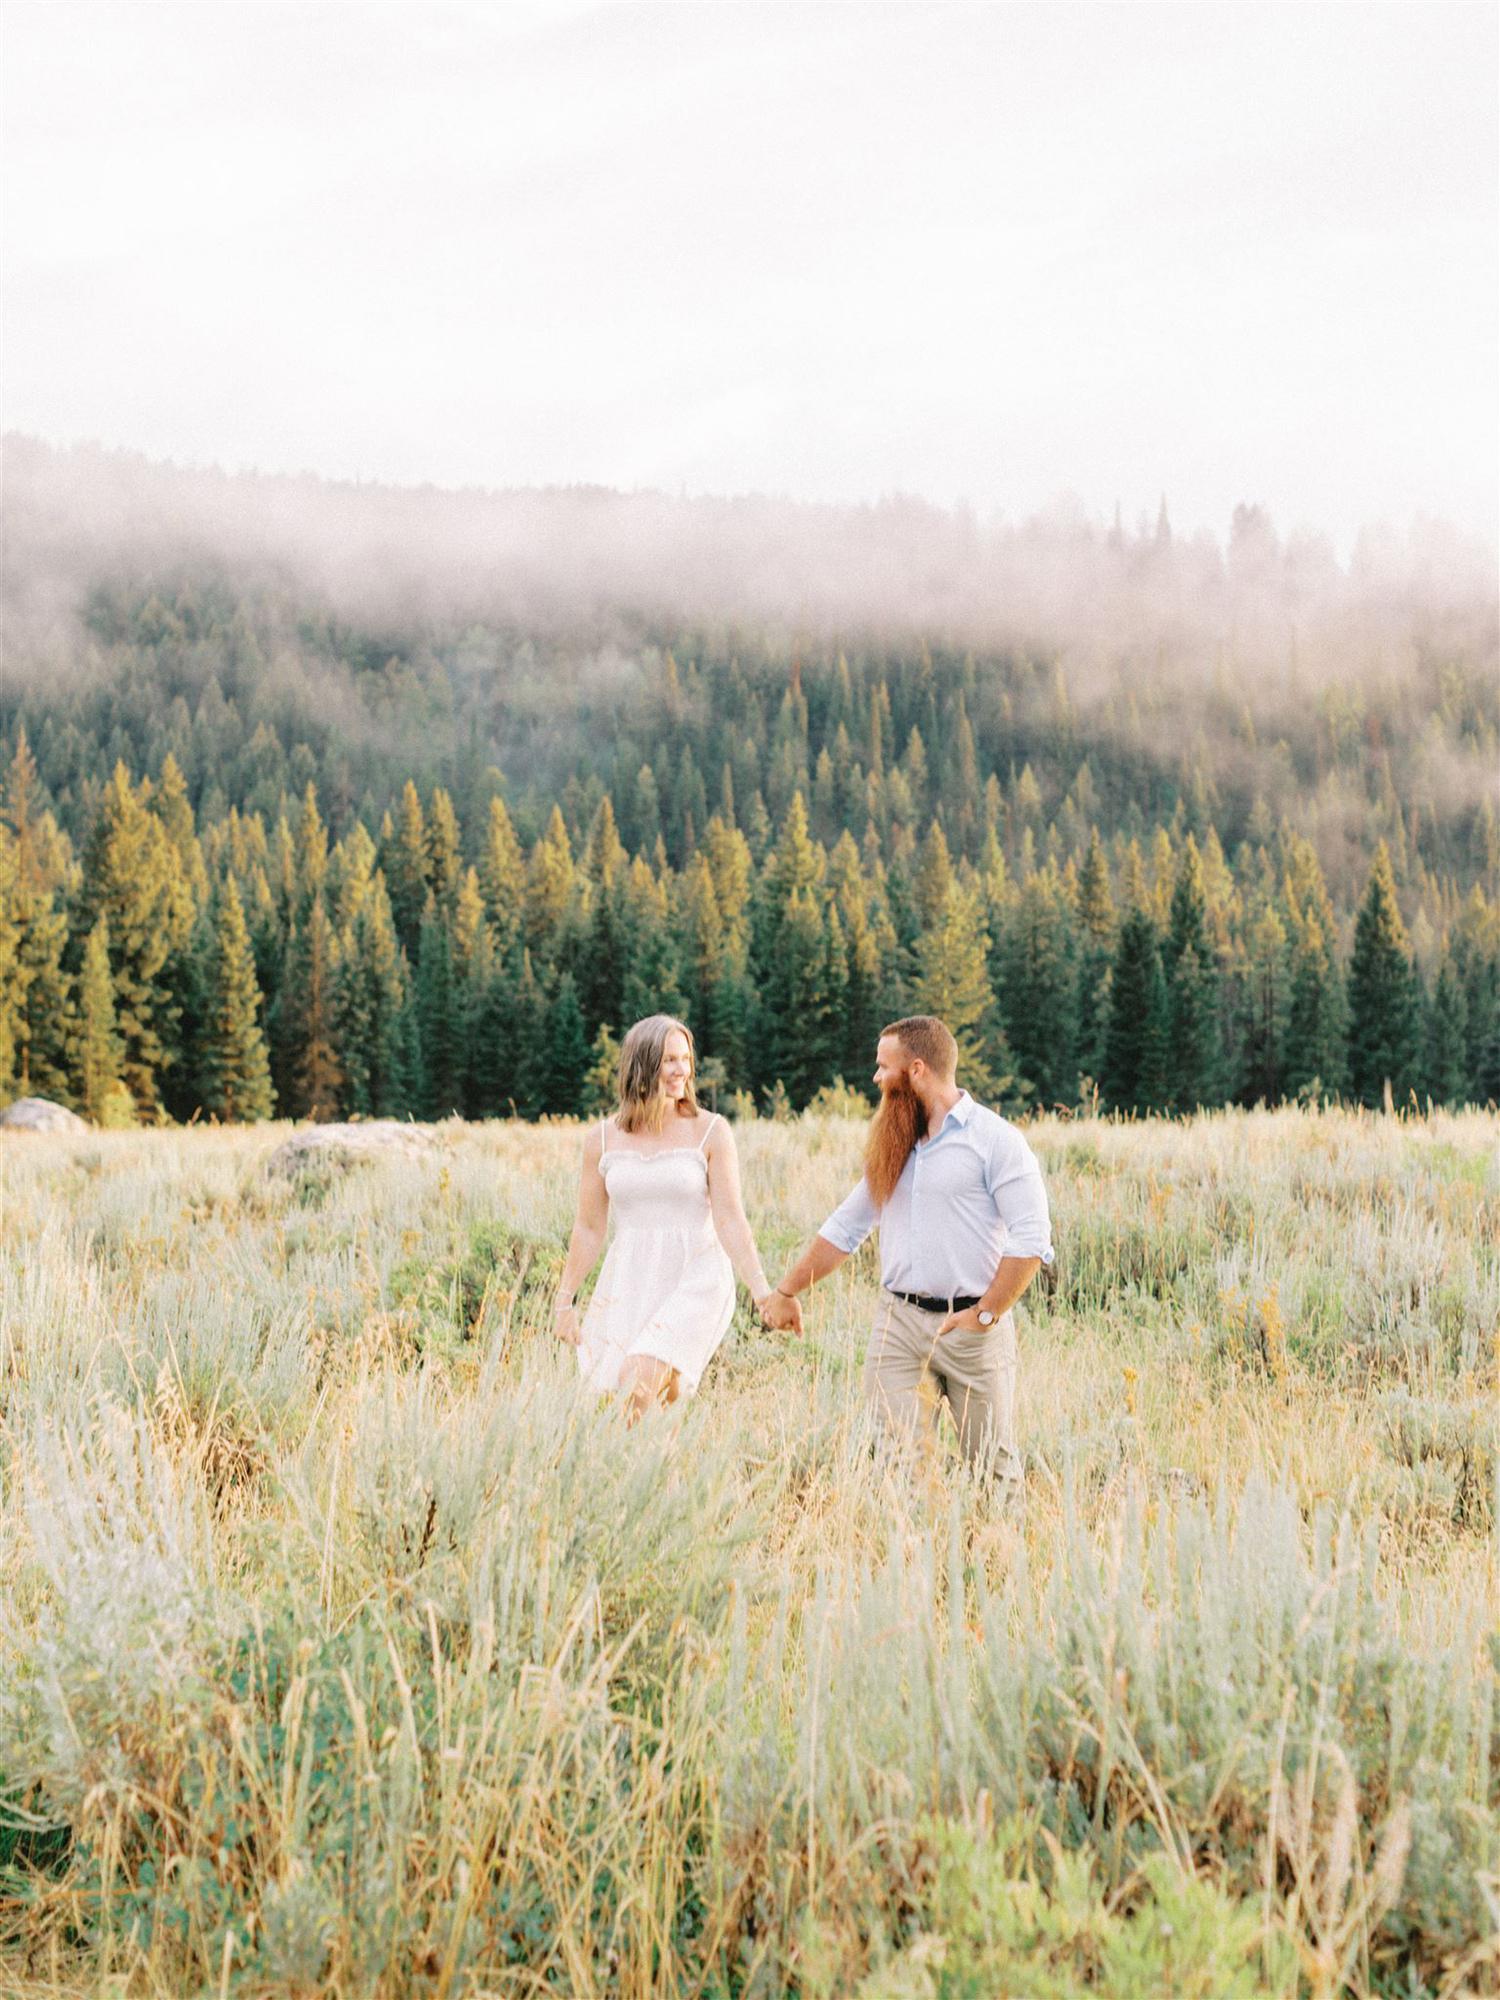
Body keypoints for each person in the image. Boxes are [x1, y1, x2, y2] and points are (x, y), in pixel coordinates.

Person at [763, 1015, 1051, 1489]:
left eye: (884, 1067)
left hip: (972, 1331)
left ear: (916, 1070)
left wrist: (985, 1314)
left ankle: (998, 1539)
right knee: (898, 1468)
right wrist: (786, 1290)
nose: (876, 1077)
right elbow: (848, 1226)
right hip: (897, 1327)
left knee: (991, 1470)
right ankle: (914, 1539)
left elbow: (1031, 1236)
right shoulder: (894, 1141)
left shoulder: (995, 1141)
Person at [553, 1013, 795, 1418]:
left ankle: (640, 1459)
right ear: (642, 1065)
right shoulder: (601, 1139)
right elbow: (589, 1228)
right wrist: (564, 1301)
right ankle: (665, 1459)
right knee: (651, 1401)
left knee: (638, 1379)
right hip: (632, 1280)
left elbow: (731, 1219)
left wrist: (761, 1291)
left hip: (698, 1276)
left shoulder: (711, 1131)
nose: (682, 1069)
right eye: (669, 1060)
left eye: (685, 1058)